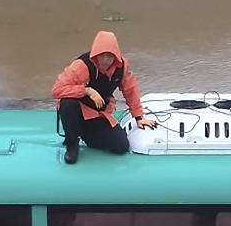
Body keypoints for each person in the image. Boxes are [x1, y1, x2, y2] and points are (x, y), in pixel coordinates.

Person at [51, 30, 157, 164]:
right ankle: (72, 143)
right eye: (102, 56)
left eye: (109, 56)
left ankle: (86, 133)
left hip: (98, 113)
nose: (105, 60)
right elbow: (57, 90)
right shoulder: (82, 65)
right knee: (67, 102)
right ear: (95, 54)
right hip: (78, 110)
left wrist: (138, 117)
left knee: (121, 146)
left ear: (116, 56)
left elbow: (131, 91)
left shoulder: (122, 67)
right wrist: (86, 91)